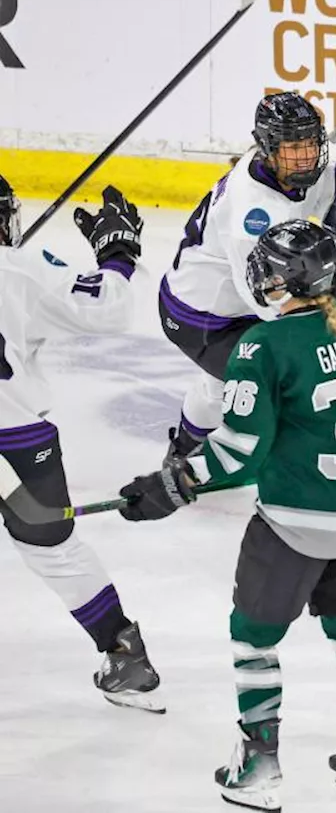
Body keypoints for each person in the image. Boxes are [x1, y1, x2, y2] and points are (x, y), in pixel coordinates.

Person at [117, 219, 336, 809]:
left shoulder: (261, 347)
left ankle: (259, 765)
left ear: (287, 280)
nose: (263, 280)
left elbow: (241, 449)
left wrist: (176, 481)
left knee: (254, 637)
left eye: (270, 271)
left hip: (295, 526)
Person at [159, 68, 336, 470]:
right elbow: (272, 305)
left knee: (218, 387)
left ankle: (182, 450)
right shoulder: (254, 215)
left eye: (309, 143)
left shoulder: (288, 171)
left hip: (233, 306)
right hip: (203, 317)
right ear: (268, 148)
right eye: (293, 147)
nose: (305, 156)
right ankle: (203, 456)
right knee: (289, 382)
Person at [0, 178, 161, 712]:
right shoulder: (21, 269)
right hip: (18, 443)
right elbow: (108, 309)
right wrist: (117, 253)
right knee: (52, 549)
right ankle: (124, 651)